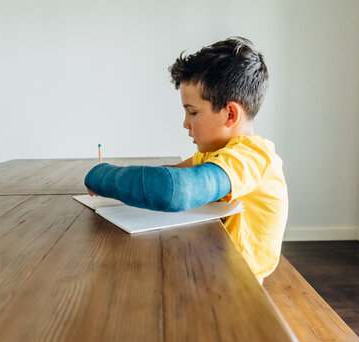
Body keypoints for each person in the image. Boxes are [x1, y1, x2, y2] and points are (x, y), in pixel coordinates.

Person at [85, 37, 288, 283]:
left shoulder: (252, 156)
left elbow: (174, 189)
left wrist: (101, 176)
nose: (185, 123)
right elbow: (169, 173)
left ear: (231, 114)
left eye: (192, 112)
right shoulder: (218, 152)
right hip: (213, 263)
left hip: (239, 283)